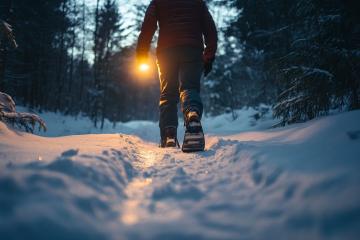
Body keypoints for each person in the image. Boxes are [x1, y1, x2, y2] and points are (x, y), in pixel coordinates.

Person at [136, 0, 217, 152]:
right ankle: (192, 116)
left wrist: (141, 54)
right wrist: (209, 55)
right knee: (189, 87)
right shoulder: (197, 2)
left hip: (167, 51)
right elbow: (210, 29)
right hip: (192, 50)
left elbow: (147, 27)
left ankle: (169, 136)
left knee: (168, 93)